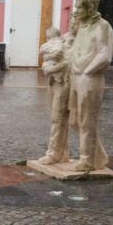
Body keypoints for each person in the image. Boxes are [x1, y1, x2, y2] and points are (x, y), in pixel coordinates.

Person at [67, 0, 113, 171]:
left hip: (90, 78)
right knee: (74, 120)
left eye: (80, 7)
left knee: (87, 121)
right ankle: (99, 155)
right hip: (76, 77)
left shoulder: (102, 27)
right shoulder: (83, 26)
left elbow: (104, 55)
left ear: (91, 7)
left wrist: (87, 71)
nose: (76, 10)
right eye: (76, 6)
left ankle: (86, 159)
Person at [36, 26, 73, 165]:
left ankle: (53, 153)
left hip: (63, 83)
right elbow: (46, 57)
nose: (73, 22)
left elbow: (67, 62)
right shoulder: (63, 39)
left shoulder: (69, 41)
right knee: (57, 119)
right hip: (53, 82)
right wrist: (48, 62)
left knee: (58, 119)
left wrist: (51, 68)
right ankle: (62, 153)